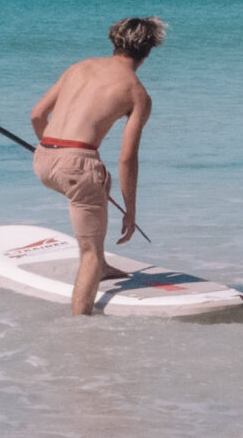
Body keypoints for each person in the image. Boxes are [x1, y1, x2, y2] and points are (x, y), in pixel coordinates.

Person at [28, 17, 163, 315]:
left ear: (114, 41)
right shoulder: (136, 93)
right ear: (149, 51)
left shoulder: (79, 67)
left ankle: (102, 266)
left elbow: (37, 115)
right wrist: (130, 210)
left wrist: (51, 150)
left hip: (44, 158)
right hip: (77, 167)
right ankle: (81, 329)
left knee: (101, 179)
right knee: (87, 252)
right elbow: (127, 157)